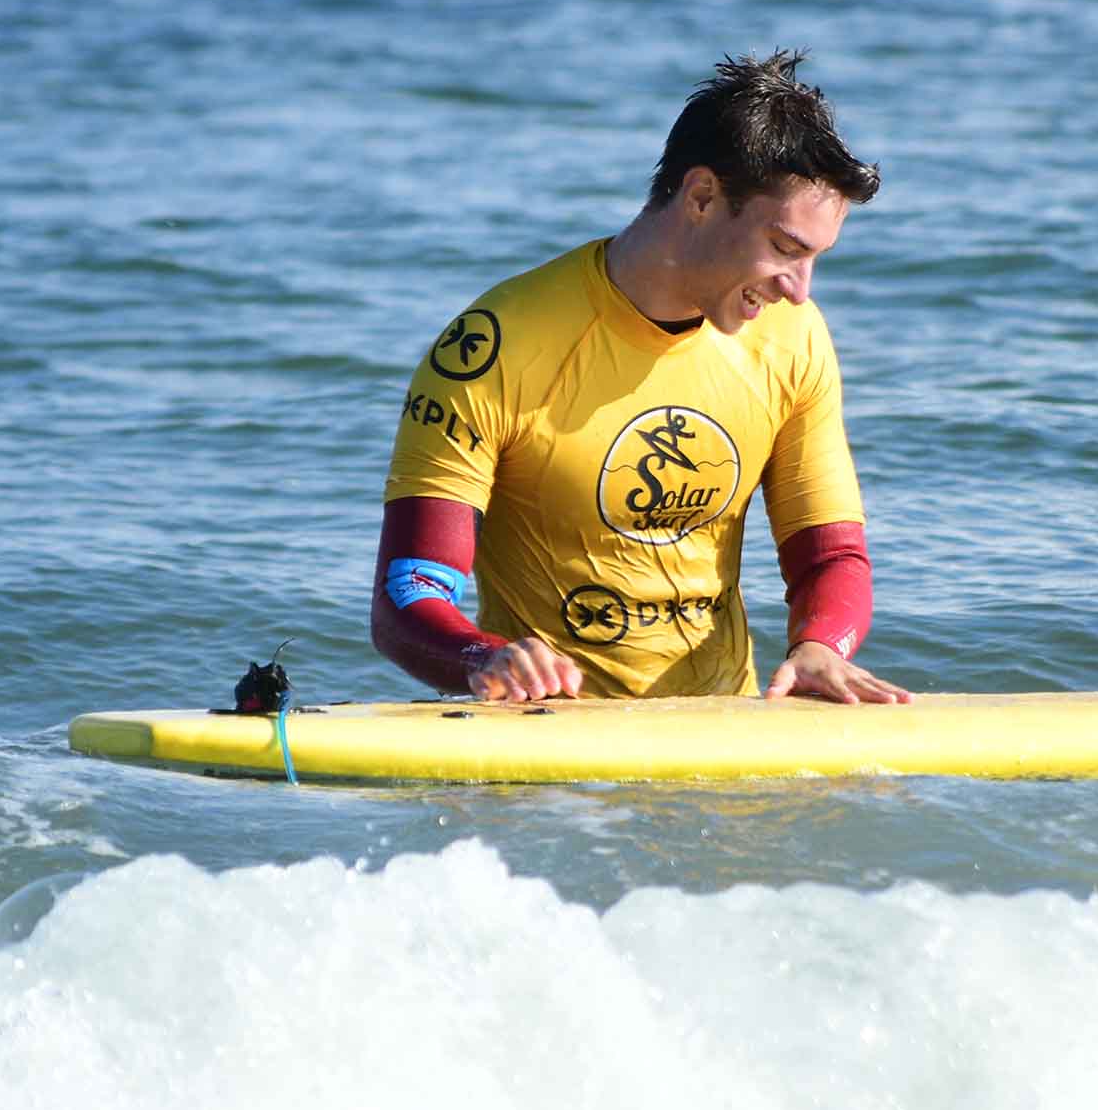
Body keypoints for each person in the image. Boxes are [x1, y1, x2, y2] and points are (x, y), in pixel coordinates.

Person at [371, 51, 912, 707]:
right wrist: (486, 658)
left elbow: (829, 556)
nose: (800, 291)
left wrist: (819, 647)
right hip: (552, 754)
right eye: (786, 251)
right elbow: (408, 595)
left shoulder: (794, 339)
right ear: (703, 197)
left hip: (719, 742)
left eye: (814, 260)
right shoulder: (496, 347)